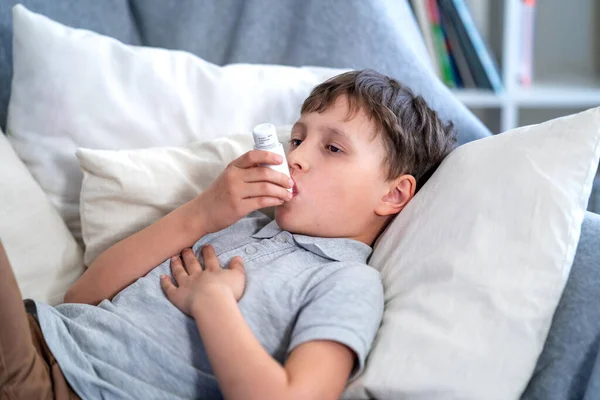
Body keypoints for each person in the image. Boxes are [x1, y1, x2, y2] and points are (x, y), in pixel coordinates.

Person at [0, 70, 456, 400]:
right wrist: (201, 213)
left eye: (333, 147)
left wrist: (212, 302)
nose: (295, 157)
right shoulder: (243, 224)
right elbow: (81, 296)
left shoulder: (346, 282)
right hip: (41, 334)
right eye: (297, 139)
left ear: (394, 195)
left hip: (65, 388)